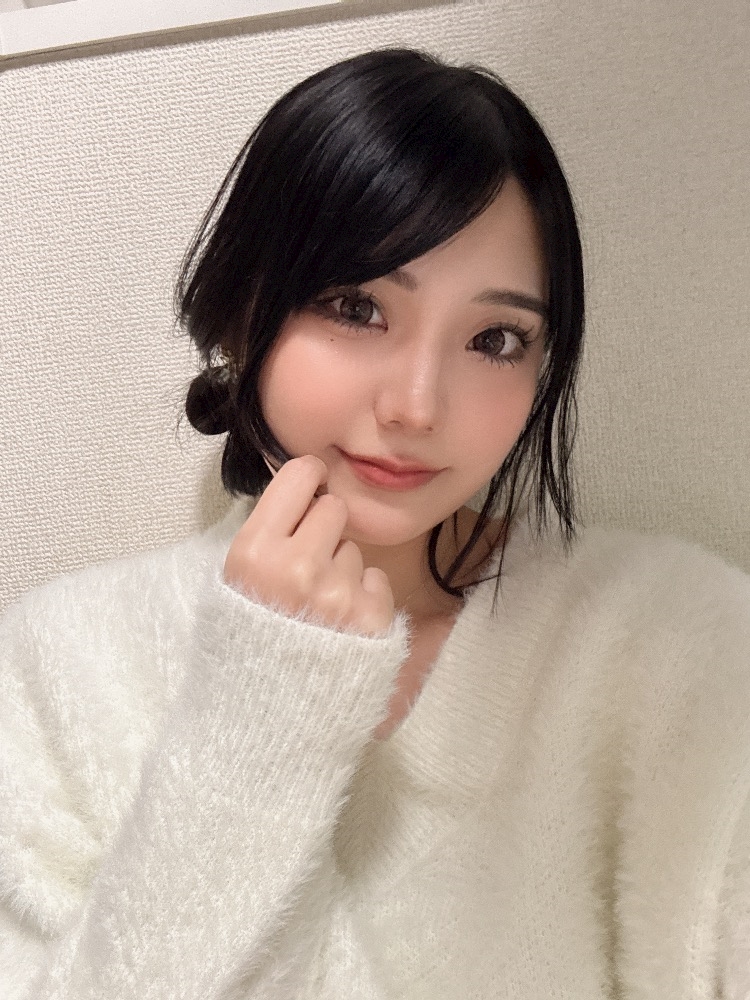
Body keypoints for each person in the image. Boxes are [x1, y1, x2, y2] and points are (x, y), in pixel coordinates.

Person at [1, 47, 748, 1000]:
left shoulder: (680, 639)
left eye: (495, 339)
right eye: (356, 308)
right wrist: (267, 701)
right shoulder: (59, 664)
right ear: (238, 316)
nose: (417, 405)